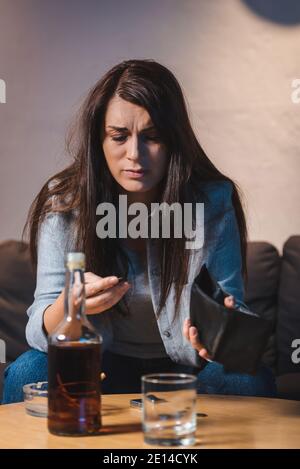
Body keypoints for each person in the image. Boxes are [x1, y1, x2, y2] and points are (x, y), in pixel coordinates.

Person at [2, 59, 276, 404]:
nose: (135, 154)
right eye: (119, 136)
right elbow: (37, 330)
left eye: (152, 137)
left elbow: (234, 309)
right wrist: (70, 306)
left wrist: (222, 333)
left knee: (247, 379)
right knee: (30, 371)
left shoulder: (212, 201)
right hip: (96, 366)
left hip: (188, 370)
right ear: (98, 139)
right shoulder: (65, 203)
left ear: (174, 140)